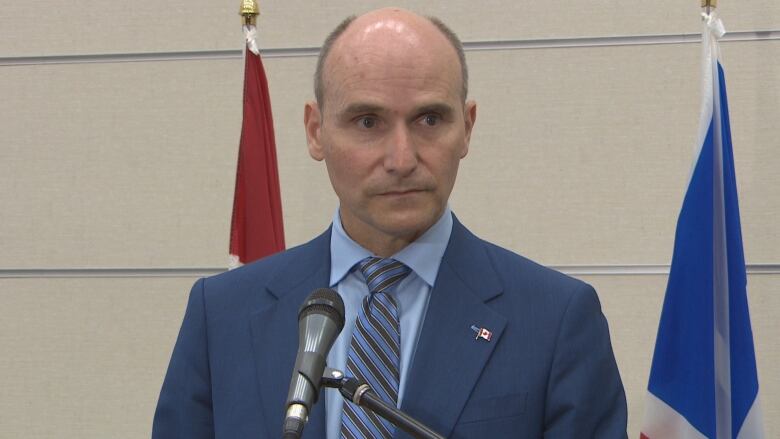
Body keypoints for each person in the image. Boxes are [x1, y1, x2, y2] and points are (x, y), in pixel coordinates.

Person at [153, 7, 627, 438]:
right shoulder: (222, 316)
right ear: (316, 132)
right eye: (367, 122)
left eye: (428, 120)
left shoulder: (557, 320)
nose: (401, 159)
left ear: (467, 127)